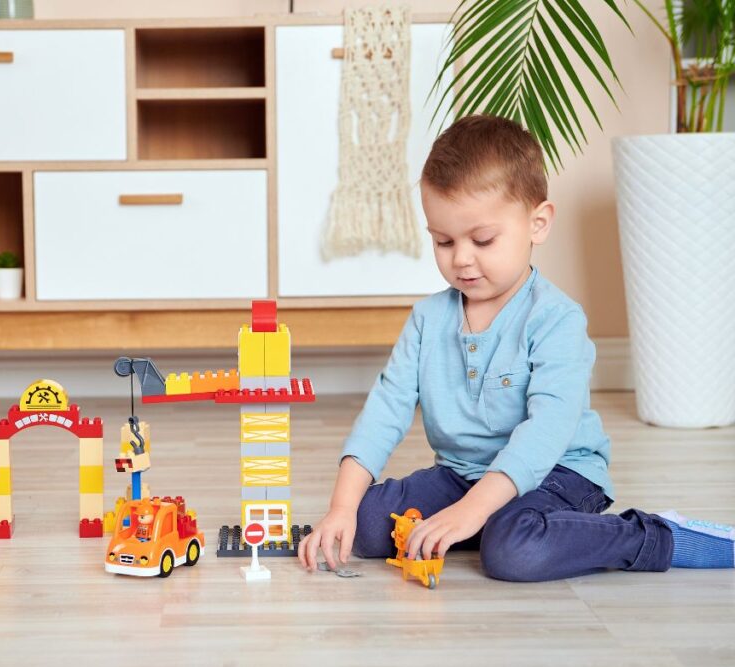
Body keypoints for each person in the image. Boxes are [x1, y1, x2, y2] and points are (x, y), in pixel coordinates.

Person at [298, 114, 735, 581]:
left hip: (559, 474)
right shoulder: (427, 319)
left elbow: (546, 430)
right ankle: (486, 522)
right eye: (443, 241)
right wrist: (341, 507)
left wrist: (472, 510)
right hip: (462, 473)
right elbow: (386, 409)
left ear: (537, 223)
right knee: (366, 525)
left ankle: (648, 534)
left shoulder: (556, 319)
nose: (461, 258)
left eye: (482, 240)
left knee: (514, 552)